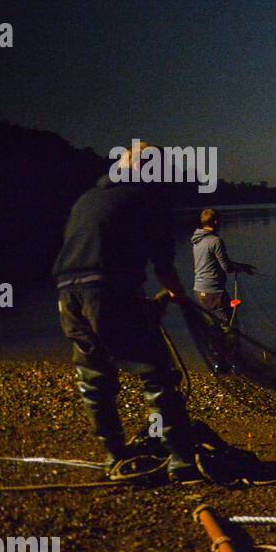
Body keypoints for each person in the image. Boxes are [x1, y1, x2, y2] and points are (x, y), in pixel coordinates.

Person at [52, 142, 200, 482]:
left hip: (67, 294)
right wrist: (178, 296)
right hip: (109, 292)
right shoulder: (148, 200)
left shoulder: (87, 198)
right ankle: (181, 461)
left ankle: (114, 457)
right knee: (156, 375)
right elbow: (163, 265)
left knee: (94, 380)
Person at [191, 208, 255, 325]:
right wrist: (242, 268)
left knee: (211, 327)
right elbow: (227, 267)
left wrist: (241, 265)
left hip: (198, 291)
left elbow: (213, 262)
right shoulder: (215, 241)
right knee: (229, 325)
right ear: (215, 222)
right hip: (213, 292)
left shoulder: (197, 240)